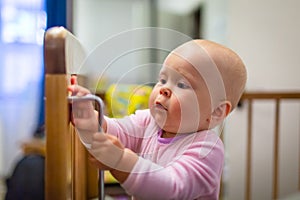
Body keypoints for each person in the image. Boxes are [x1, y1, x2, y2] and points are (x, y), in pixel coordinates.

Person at [68, 39, 247, 200]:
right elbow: (117, 131)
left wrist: (121, 162)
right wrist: (89, 117)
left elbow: (172, 189)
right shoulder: (149, 121)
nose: (164, 89)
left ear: (216, 112)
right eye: (162, 80)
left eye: (182, 84)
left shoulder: (207, 149)